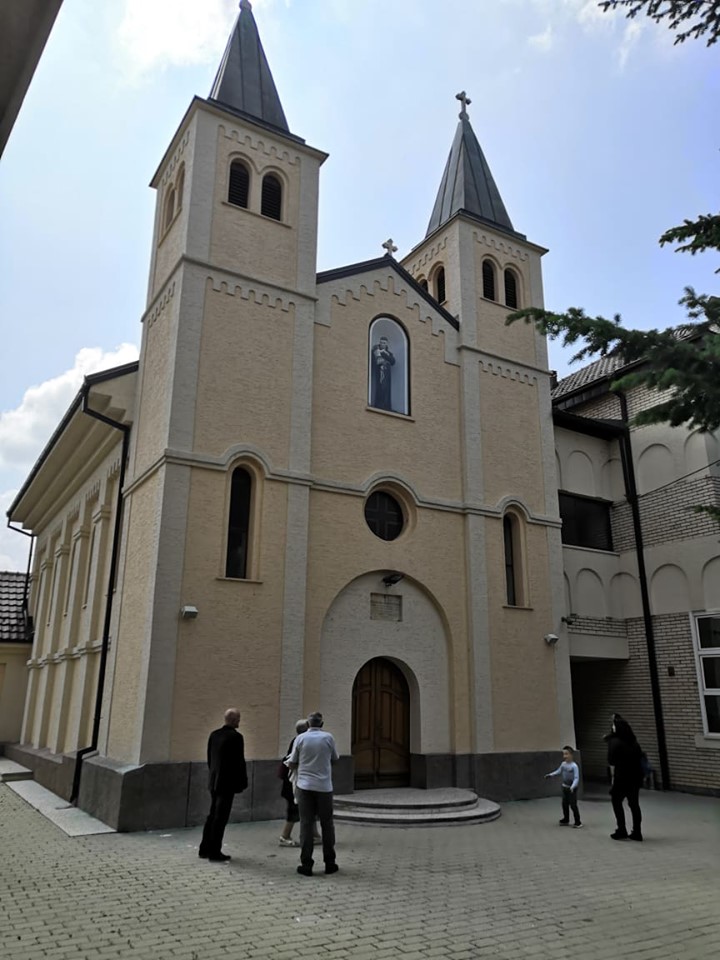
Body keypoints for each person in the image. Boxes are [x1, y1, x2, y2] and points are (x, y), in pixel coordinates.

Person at [287, 711, 339, 876]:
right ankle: (330, 863)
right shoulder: (328, 738)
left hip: (304, 786)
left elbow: (292, 761)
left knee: (306, 824)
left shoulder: (300, 739)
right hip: (324, 787)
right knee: (327, 824)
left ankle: (306, 864)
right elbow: (335, 759)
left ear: (308, 724)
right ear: (322, 724)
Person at [198, 707, 247, 862]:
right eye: (238, 719)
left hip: (214, 781)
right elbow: (239, 762)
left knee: (212, 814)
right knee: (221, 817)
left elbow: (210, 758)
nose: (239, 721)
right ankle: (215, 852)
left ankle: (204, 849)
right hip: (227, 783)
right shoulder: (236, 737)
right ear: (234, 720)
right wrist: (242, 782)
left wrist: (213, 775)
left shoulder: (214, 735)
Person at [278, 720, 322, 847]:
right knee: (294, 810)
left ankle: (315, 835)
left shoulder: (299, 740)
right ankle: (285, 836)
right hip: (295, 782)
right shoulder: (300, 741)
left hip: (300, 781)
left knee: (311, 808)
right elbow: (294, 762)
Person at [605, 713, 643, 841]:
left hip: (622, 777)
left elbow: (611, 760)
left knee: (616, 801)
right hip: (635, 777)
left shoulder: (615, 742)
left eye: (613, 726)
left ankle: (621, 829)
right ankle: (637, 832)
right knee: (634, 804)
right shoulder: (634, 742)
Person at [545, 745, 582, 828]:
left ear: (571, 755)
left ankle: (578, 822)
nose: (564, 756)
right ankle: (566, 819)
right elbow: (558, 771)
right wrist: (550, 775)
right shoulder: (563, 764)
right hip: (565, 787)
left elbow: (576, 778)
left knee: (573, 805)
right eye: (564, 754)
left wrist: (572, 787)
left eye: (566, 754)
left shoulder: (574, 766)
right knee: (564, 804)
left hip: (572, 788)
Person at [370, 335, 395, 410]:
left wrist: (385, 354)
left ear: (386, 344)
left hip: (387, 372)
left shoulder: (389, 353)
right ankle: (379, 405)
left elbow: (393, 361)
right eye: (381, 342)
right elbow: (375, 360)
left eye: (384, 343)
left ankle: (386, 405)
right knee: (380, 387)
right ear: (379, 343)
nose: (382, 344)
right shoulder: (376, 350)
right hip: (380, 371)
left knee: (387, 389)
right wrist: (381, 353)